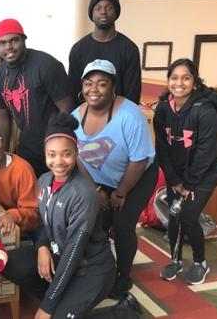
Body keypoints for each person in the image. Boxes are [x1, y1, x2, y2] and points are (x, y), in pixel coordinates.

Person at [2, 113, 143, 319]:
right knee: (9, 263)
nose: (58, 161)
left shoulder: (83, 194)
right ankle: (64, 304)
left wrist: (48, 307)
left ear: (77, 153)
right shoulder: (43, 181)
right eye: (52, 154)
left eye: (66, 154)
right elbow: (43, 223)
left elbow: (74, 253)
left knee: (56, 315)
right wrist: (42, 247)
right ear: (45, 154)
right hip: (61, 258)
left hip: (91, 271)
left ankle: (124, 312)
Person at [72, 59, 157, 299]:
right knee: (96, 223)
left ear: (113, 87)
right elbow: (76, 156)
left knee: (122, 226)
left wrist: (121, 193)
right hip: (100, 179)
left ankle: (123, 275)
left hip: (137, 176)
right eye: (89, 83)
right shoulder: (75, 117)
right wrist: (96, 189)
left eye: (102, 83)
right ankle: (100, 270)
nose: (94, 89)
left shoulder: (130, 115)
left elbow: (139, 160)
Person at [154, 58, 217, 285]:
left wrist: (189, 183)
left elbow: (207, 152)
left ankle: (200, 262)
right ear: (168, 81)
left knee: (188, 216)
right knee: (174, 215)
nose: (179, 82)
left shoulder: (206, 111)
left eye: (186, 77)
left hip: (203, 175)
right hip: (178, 177)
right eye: (174, 77)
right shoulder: (163, 108)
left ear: (194, 82)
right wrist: (174, 179)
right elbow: (162, 146)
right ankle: (175, 260)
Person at [0, 18, 73, 177]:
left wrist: (59, 144)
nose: (9, 47)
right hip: (27, 147)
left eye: (14, 40)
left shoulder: (47, 65)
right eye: (2, 43)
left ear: (24, 39)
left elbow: (67, 108)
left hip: (54, 146)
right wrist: (4, 153)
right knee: (32, 195)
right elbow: (3, 117)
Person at [68, 0, 141, 106]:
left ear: (116, 13)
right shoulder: (78, 49)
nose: (103, 12)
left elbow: (132, 94)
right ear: (91, 13)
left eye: (109, 7)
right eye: (98, 8)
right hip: (86, 117)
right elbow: (73, 90)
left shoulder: (129, 49)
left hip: (119, 117)